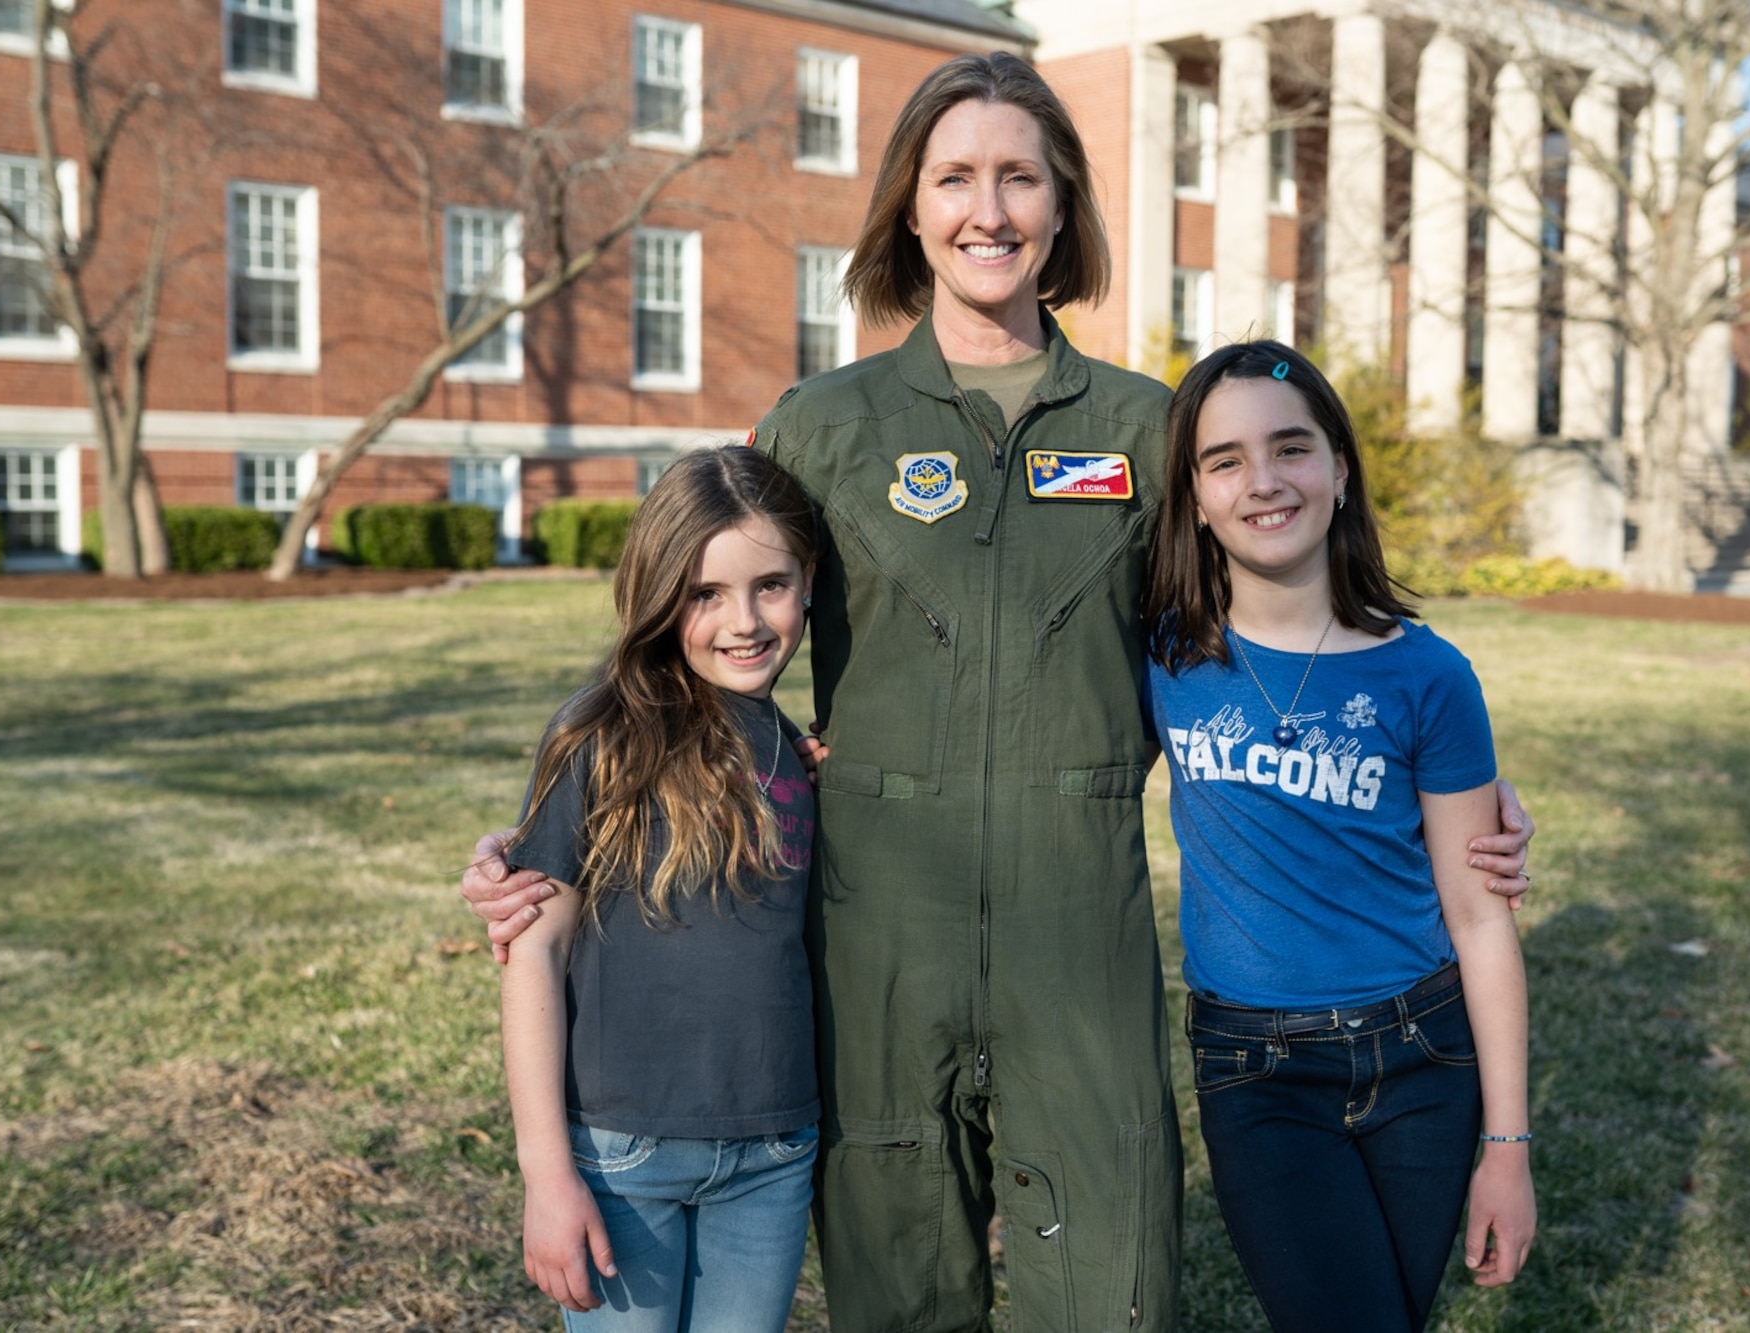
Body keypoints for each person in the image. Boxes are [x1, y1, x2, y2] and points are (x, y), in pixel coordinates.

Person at [466, 53, 1537, 1332]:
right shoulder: (819, 426)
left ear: (1062, 204)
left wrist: (1448, 792)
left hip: (1074, 935)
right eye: (954, 176)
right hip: (875, 936)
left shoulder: (1149, 430)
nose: (989, 208)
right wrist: (556, 833)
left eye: (1019, 176)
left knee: (1108, 1285)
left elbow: (1256, 619)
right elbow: (705, 629)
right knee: (897, 1285)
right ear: (908, 210)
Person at [1144, 342, 1535, 1332]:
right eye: (1224, 459)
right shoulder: (1159, 649)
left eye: (1291, 448)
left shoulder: (1428, 676)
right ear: (1192, 495)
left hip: (1420, 1060)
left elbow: (1481, 921)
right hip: (1254, 1071)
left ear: (1340, 467)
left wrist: (1506, 1147)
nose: (1263, 481)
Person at [498, 446, 822, 1331]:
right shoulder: (600, 733)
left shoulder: (793, 745)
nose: (745, 620)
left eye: (771, 584)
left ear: (809, 582)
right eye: (704, 593)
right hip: (622, 1155)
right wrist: (546, 1172)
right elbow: (534, 952)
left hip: (773, 1151)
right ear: (655, 593)